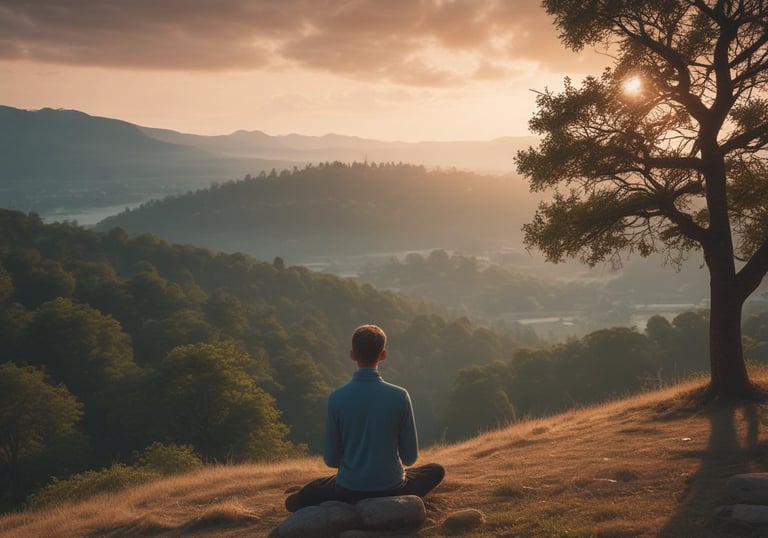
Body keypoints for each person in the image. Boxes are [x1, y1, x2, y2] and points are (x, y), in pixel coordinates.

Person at [285, 324, 445, 512]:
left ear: (352, 355)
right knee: (436, 470)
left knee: (311, 491)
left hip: (349, 488)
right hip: (392, 486)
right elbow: (410, 458)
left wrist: (356, 467)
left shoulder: (337, 398)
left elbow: (331, 460)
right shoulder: (400, 396)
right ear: (383, 354)